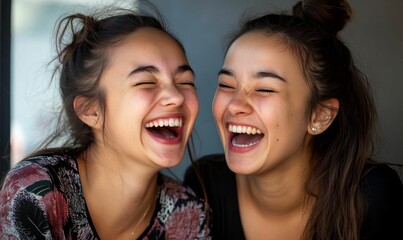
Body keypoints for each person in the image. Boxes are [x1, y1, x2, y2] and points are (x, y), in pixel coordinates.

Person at [184, 0, 403, 239]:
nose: (235, 105)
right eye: (227, 85)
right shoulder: (204, 184)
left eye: (265, 89)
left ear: (320, 115)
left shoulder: (373, 195)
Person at [0, 6, 210, 240]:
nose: (177, 96)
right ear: (91, 111)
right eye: (146, 82)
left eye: (185, 82)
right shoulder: (37, 192)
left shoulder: (188, 214)